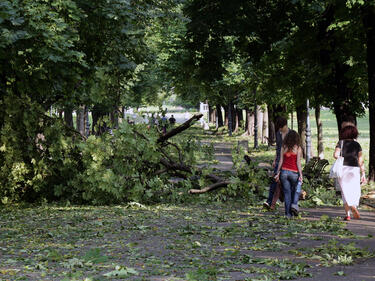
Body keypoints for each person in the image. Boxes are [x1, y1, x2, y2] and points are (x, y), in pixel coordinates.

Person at [333, 125, 366, 221]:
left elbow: (335, 155)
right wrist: (363, 172)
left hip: (343, 169)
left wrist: (341, 158)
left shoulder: (341, 142)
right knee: (354, 190)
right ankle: (353, 205)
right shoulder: (357, 145)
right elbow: (360, 160)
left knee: (345, 191)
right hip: (354, 169)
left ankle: (348, 215)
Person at [275, 130, 303, 218]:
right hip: (294, 173)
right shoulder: (298, 148)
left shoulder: (283, 147)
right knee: (295, 190)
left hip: (284, 173)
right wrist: (301, 174)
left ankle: (288, 214)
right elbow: (298, 162)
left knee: (287, 193)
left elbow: (280, 161)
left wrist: (277, 172)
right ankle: (294, 205)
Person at [263, 116, 289, 210]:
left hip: (287, 162)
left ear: (285, 125)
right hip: (279, 161)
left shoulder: (290, 134)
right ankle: (269, 202)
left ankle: (289, 204)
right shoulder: (278, 133)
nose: (280, 130)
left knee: (284, 184)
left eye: (281, 128)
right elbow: (278, 148)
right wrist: (275, 160)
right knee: (274, 181)